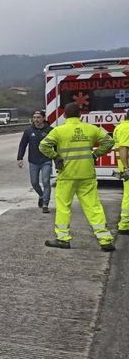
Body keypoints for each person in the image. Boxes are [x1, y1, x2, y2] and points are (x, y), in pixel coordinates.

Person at [38, 102, 115, 251]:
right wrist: (95, 154)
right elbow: (109, 141)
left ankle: (63, 238)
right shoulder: (91, 129)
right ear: (80, 115)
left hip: (67, 175)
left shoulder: (59, 131)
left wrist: (55, 156)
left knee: (63, 207)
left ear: (65, 115)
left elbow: (43, 146)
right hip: (86, 174)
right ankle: (105, 240)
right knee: (93, 206)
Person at [17, 110, 54, 213]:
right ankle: (41, 195)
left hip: (46, 160)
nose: (36, 120)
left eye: (38, 117)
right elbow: (22, 145)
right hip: (33, 161)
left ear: (43, 118)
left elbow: (56, 145)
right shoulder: (28, 131)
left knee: (46, 181)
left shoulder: (50, 130)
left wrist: (57, 157)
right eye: (34, 117)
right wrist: (19, 158)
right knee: (34, 183)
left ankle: (45, 204)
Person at [114, 115, 129, 235]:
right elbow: (123, 148)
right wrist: (126, 168)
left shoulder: (121, 127)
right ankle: (124, 225)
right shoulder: (126, 128)